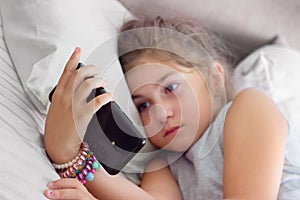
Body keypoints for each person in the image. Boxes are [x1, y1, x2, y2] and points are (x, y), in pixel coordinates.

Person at [43, 17, 300, 200]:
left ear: (213, 78)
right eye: (143, 104)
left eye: (171, 88)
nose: (161, 113)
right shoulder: (165, 163)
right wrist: (66, 154)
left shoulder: (249, 106)